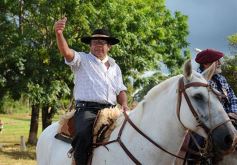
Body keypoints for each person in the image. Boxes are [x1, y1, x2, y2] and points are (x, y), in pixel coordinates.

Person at [54, 17, 128, 165]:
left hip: (112, 110)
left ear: (109, 46)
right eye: (94, 43)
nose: (97, 46)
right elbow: (67, 53)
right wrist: (59, 33)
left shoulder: (115, 66)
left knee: (129, 131)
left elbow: (120, 90)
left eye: (101, 43)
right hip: (88, 110)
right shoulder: (82, 59)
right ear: (90, 45)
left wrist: (125, 104)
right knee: (82, 135)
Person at [186, 49, 237, 164]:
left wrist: (233, 113)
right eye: (217, 61)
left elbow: (233, 98)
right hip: (207, 120)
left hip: (229, 117)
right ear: (206, 64)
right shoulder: (197, 80)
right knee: (197, 142)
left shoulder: (221, 78)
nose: (220, 63)